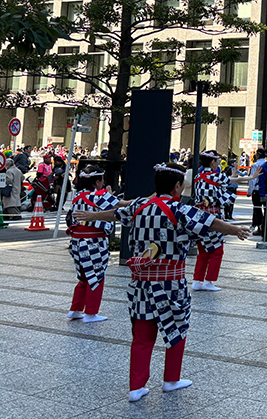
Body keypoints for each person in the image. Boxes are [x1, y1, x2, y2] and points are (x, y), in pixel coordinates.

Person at [74, 162, 250, 402]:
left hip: (141, 283)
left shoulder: (138, 206)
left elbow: (115, 213)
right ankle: (171, 379)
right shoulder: (180, 210)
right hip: (171, 281)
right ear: (177, 186)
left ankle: (136, 386)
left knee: (142, 334)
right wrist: (234, 229)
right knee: (176, 329)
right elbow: (211, 223)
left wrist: (92, 215)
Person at [65, 166, 129, 322]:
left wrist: (108, 197)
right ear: (97, 181)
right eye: (101, 180)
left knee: (83, 277)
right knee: (96, 276)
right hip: (94, 242)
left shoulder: (78, 195)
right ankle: (91, 313)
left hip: (77, 242)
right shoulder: (101, 195)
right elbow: (126, 204)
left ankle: (75, 309)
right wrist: (150, 198)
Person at [191, 150, 259, 291]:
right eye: (217, 161)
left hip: (199, 216)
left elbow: (226, 179)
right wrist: (251, 177)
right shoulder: (214, 175)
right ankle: (209, 281)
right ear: (212, 162)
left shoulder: (199, 175)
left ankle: (197, 280)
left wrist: (234, 174)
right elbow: (232, 180)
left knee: (203, 250)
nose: (218, 163)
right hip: (213, 216)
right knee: (217, 250)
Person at [2, 158, 22, 222]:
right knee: (15, 201)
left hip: (11, 188)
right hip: (18, 187)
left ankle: (14, 215)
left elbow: (8, 180)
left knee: (10, 202)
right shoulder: (18, 170)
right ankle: (9, 214)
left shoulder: (9, 171)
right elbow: (22, 178)